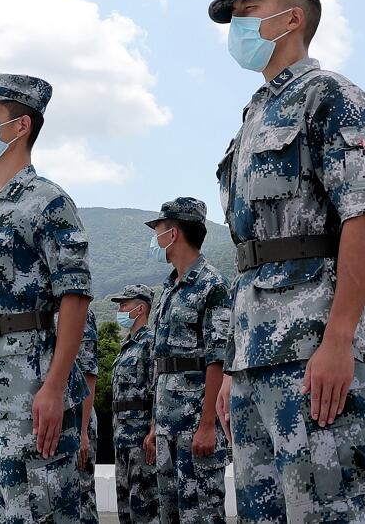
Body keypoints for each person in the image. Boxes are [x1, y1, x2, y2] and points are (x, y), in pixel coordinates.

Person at [211, 0, 365, 522]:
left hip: (313, 349)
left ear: (290, 18)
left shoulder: (330, 96)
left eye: (248, 10)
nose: (237, 25)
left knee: (328, 508)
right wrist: (234, 366)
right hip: (254, 355)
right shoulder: (255, 114)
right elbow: (251, 255)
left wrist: (340, 340)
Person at [0, 74, 91, 523]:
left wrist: (53, 387)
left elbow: (75, 295)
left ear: (20, 126)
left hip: (32, 386)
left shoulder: (46, 201)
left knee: (43, 509)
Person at [144, 198, 230, 524]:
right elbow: (163, 365)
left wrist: (208, 425)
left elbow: (218, 359)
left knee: (202, 514)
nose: (155, 238)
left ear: (174, 233)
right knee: (171, 514)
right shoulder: (169, 288)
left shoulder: (212, 284)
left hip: (195, 426)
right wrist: (155, 425)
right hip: (167, 427)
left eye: (158, 230)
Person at [109, 284, 159, 524]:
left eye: (124, 305)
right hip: (122, 438)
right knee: (125, 510)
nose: (119, 310)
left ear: (140, 309)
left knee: (144, 509)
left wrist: (154, 430)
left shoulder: (150, 343)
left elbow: (156, 389)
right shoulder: (126, 346)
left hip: (141, 439)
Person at [76, 310, 100, 524]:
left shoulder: (78, 313)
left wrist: (83, 431)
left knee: (82, 496)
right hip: (53, 418)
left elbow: (88, 374)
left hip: (76, 419)